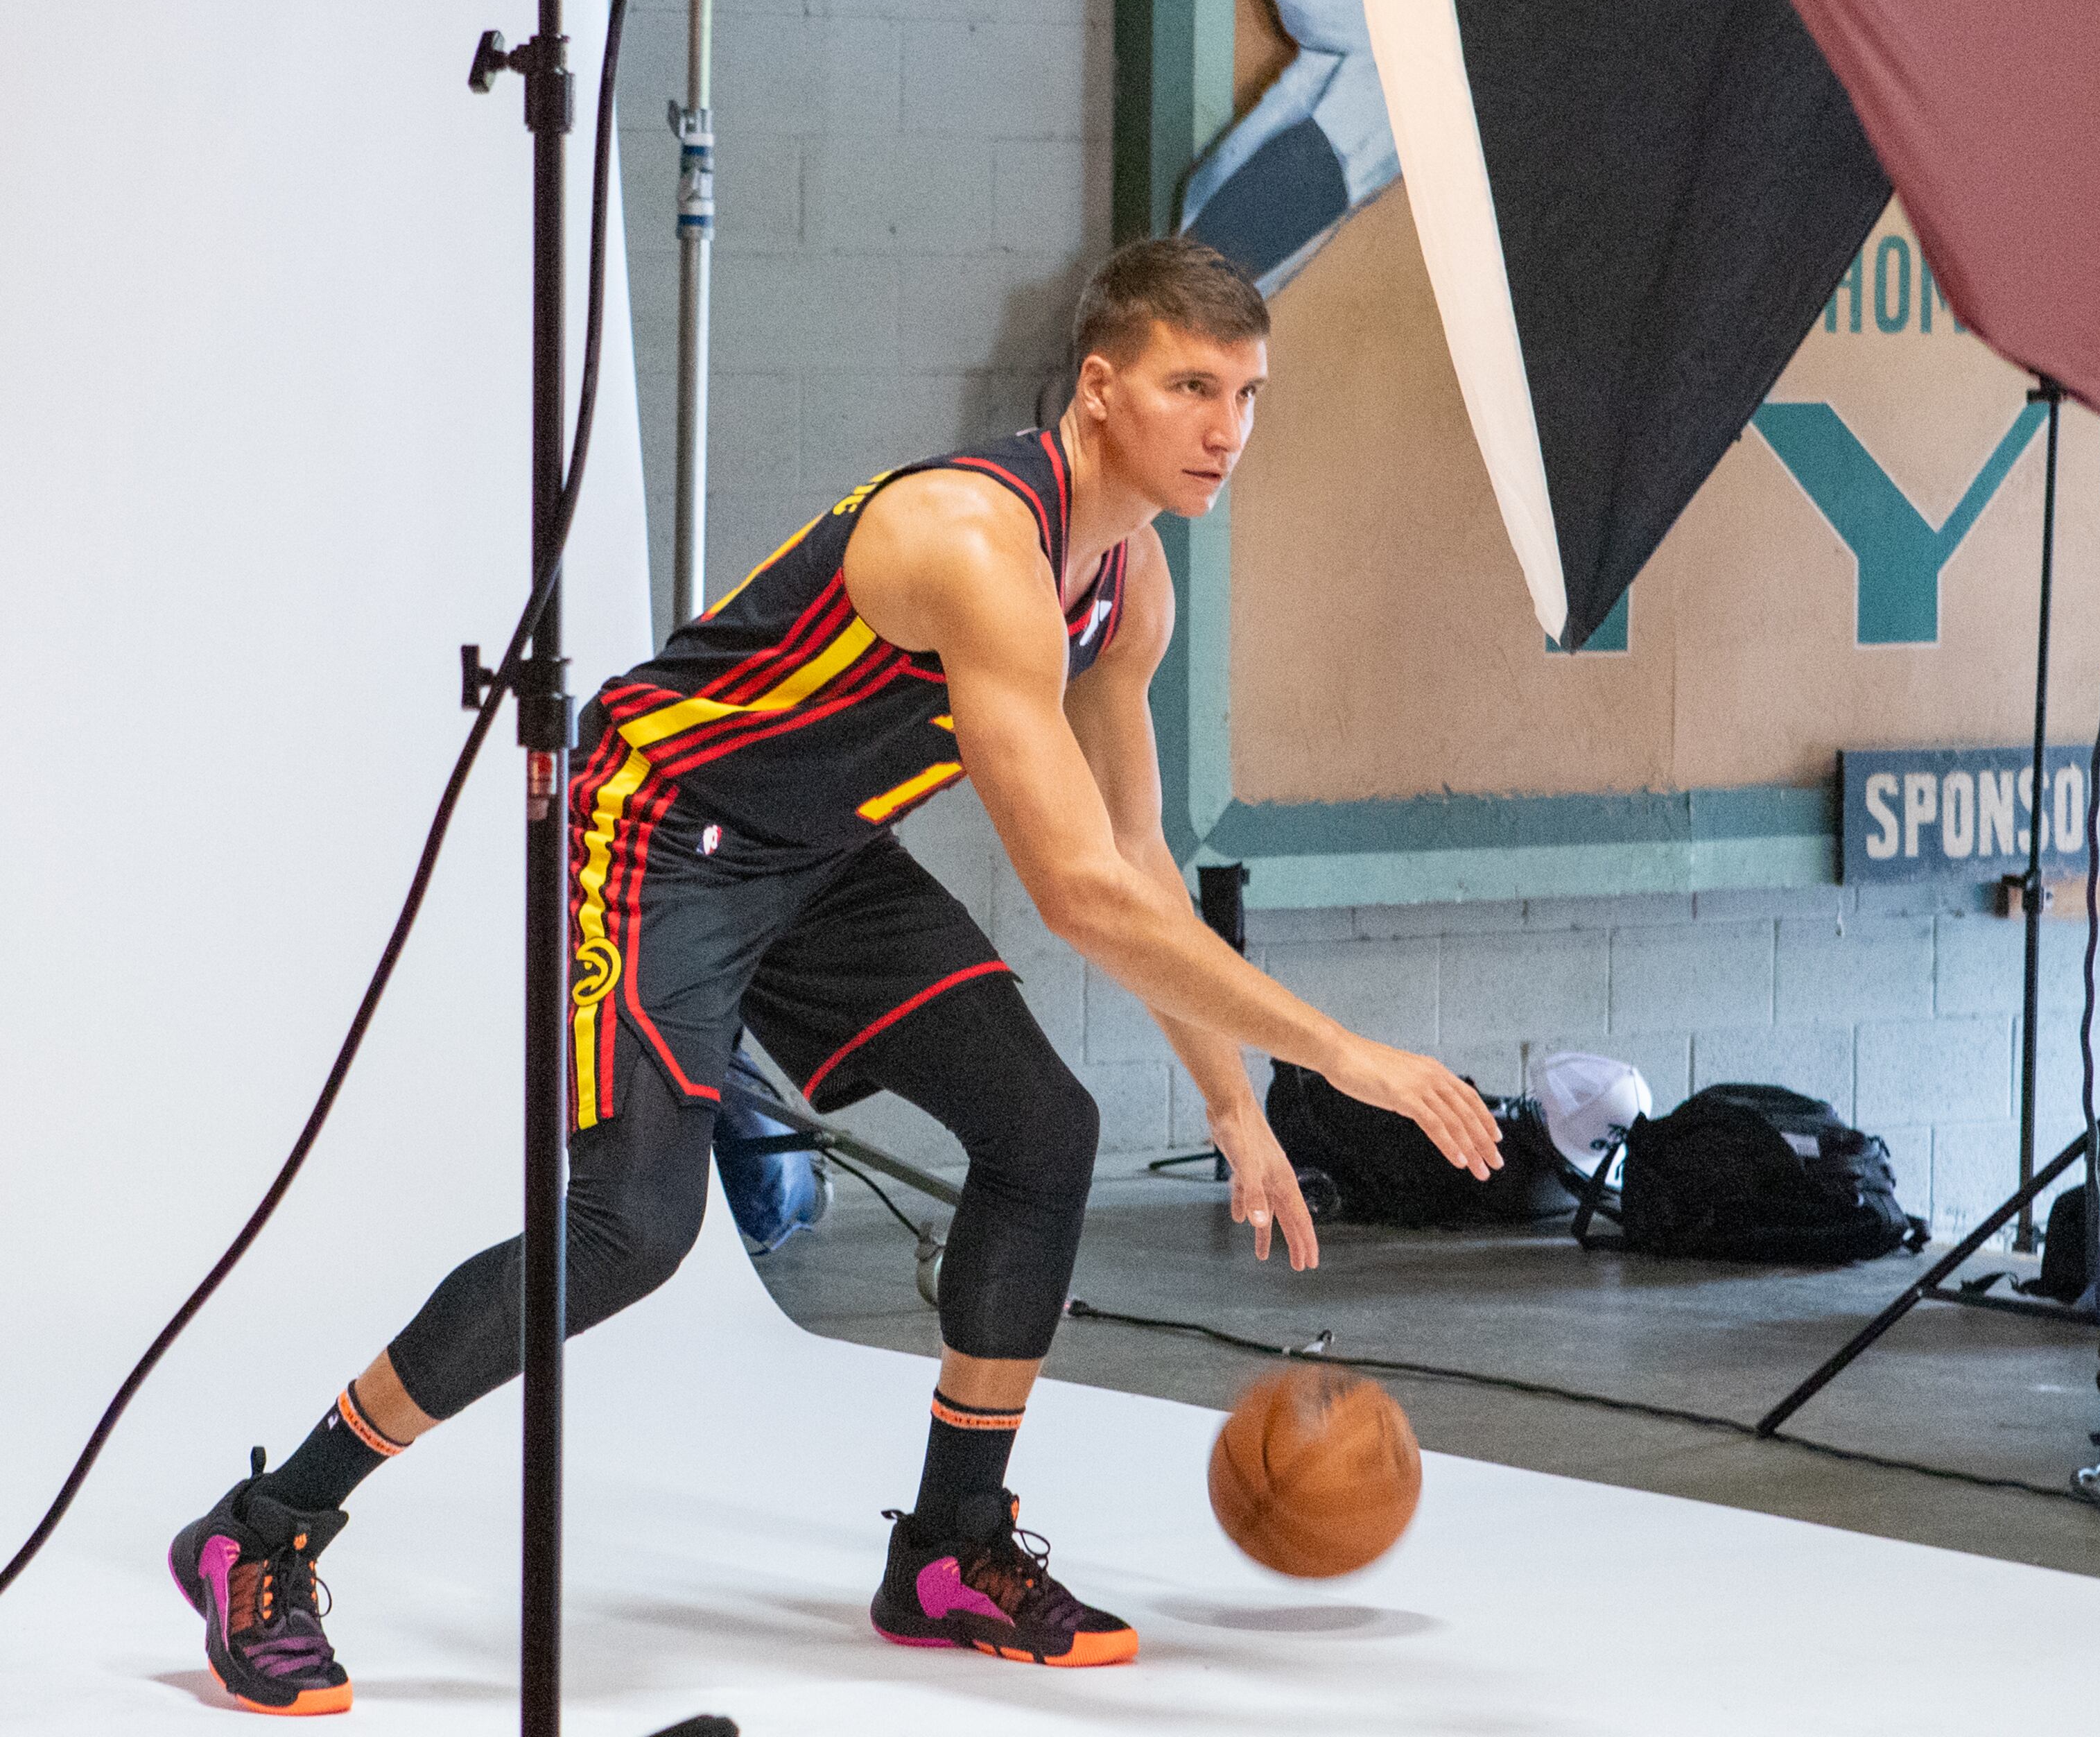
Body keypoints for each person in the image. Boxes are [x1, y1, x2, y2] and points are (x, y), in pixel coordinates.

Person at [168, 236, 1503, 1713]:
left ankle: (948, 1545)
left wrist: (1238, 1104)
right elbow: (1075, 895)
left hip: (812, 857)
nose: (1228, 428)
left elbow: (1139, 856)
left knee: (1043, 1130)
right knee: (631, 1226)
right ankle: (265, 1529)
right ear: (1102, 384)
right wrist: (1345, 1052)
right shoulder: (975, 543)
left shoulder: (1128, 587)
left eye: (1249, 393)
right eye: (1195, 386)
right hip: (658, 825)